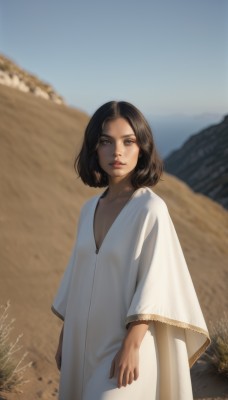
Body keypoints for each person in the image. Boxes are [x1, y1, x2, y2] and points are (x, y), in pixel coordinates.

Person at [52, 101, 210, 400]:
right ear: (94, 149)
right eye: (105, 142)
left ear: (142, 148)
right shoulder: (88, 210)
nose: (117, 152)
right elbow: (78, 276)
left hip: (125, 345)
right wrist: (65, 337)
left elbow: (156, 282)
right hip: (81, 343)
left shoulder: (151, 209)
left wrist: (132, 345)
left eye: (128, 141)